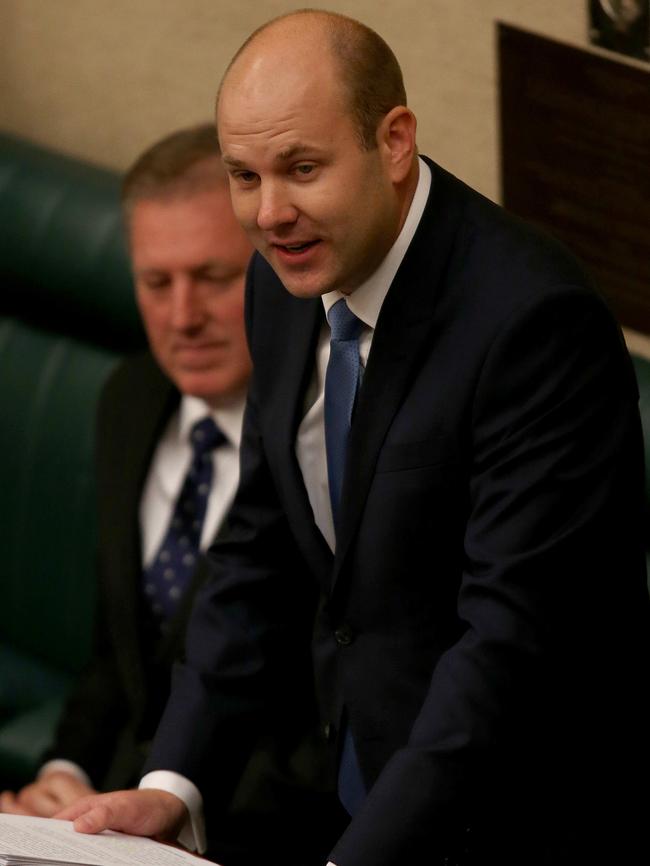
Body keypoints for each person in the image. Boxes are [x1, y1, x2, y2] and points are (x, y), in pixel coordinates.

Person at [58, 11, 650, 865]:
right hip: (348, 792)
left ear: (395, 142)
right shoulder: (284, 278)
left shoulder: (532, 325)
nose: (269, 214)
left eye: (302, 169)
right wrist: (172, 786)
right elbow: (257, 550)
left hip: (513, 823)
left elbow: (507, 651)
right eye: (244, 175)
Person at [1, 123, 340, 866]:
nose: (182, 317)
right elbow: (116, 651)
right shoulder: (131, 398)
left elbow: (329, 727)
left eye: (213, 278)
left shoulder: (331, 443)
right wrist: (62, 778)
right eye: (156, 283)